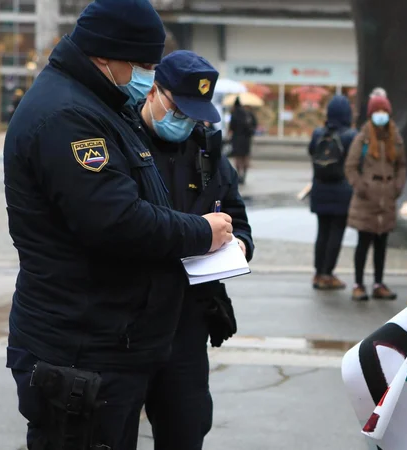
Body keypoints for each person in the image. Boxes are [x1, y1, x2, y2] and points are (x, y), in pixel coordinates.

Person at [2, 1, 234, 449]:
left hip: (110, 343)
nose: (148, 76)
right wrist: (201, 232)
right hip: (81, 349)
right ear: (105, 56)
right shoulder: (68, 117)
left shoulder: (100, 105)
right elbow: (116, 220)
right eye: (144, 65)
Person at [123, 50, 254, 450]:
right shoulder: (120, 141)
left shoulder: (209, 151)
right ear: (153, 93)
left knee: (187, 427)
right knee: (111, 431)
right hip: (127, 323)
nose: (185, 122)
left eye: (195, 115)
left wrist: (240, 246)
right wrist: (197, 233)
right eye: (178, 109)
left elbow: (238, 218)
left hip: (188, 320)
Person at [344, 95, 407, 301]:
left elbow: (402, 165)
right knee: (364, 243)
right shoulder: (363, 137)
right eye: (377, 111)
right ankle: (358, 284)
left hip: (387, 197)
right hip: (367, 199)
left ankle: (379, 283)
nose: (381, 115)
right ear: (371, 114)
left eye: (384, 111)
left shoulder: (395, 137)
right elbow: (351, 166)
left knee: (382, 243)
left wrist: (398, 186)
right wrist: (361, 186)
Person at [308, 95, 358, 290]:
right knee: (336, 233)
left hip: (319, 188)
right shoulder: (350, 135)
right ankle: (328, 274)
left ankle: (318, 272)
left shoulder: (317, 133)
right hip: (341, 190)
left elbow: (312, 152)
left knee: (322, 232)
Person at [228, 96, 258, 184]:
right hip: (247, 138)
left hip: (237, 138)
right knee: (245, 157)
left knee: (238, 157)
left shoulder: (234, 114)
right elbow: (255, 124)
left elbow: (231, 127)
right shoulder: (248, 114)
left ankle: (239, 174)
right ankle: (244, 175)